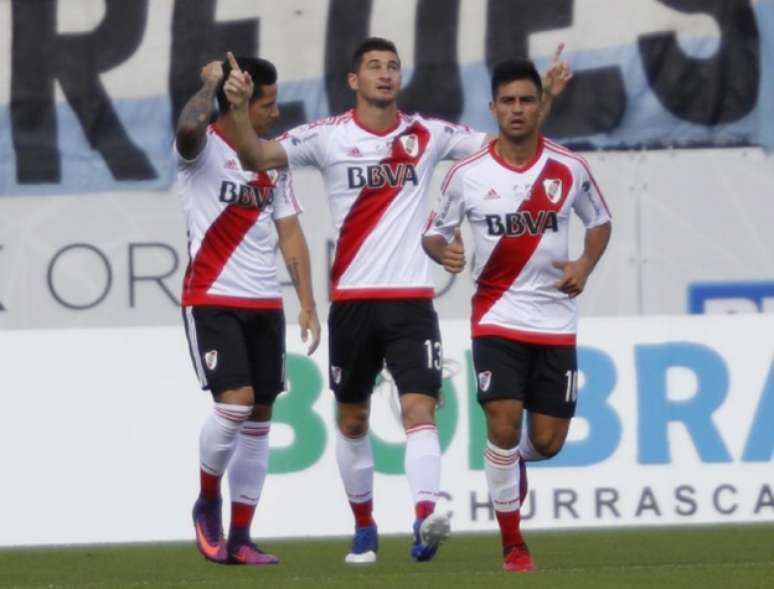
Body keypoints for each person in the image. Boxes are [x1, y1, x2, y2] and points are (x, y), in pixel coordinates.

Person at [221, 40, 571, 564]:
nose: (385, 75)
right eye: (374, 67)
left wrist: (544, 99)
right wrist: (235, 105)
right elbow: (255, 154)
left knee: (418, 410)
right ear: (353, 80)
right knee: (353, 421)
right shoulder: (326, 136)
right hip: (353, 302)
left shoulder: (428, 134)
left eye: (393, 67)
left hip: (411, 301)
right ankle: (364, 528)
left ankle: (425, 516)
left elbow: (509, 139)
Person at [422, 58, 611, 573]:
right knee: (502, 425)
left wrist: (585, 264)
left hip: (555, 320)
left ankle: (515, 463)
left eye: (527, 100)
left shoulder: (568, 167)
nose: (517, 109)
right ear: (493, 109)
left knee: (547, 442)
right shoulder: (467, 174)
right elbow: (434, 231)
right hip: (496, 317)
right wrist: (444, 252)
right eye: (508, 101)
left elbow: (601, 221)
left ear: (538, 106)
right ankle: (513, 545)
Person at [174, 55, 321, 566]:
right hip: (212, 299)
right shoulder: (203, 148)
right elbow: (189, 126)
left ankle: (241, 537)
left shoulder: (270, 161)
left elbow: (290, 230)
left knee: (260, 418)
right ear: (242, 101)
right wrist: (211, 82)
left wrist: (307, 302)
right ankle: (207, 502)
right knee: (234, 404)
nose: (276, 114)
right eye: (268, 104)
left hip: (264, 303)